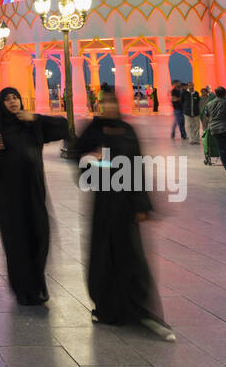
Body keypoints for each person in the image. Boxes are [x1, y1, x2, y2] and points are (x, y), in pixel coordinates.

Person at [69, 88, 175, 340]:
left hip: (126, 203)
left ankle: (140, 310)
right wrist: (89, 159)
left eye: (112, 102)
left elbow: (138, 167)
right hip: (104, 203)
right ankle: (107, 308)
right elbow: (76, 157)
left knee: (132, 255)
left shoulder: (128, 131)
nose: (108, 107)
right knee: (104, 254)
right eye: (103, 102)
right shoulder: (92, 130)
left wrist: (142, 205)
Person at [0, 86, 70, 306]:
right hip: (10, 194)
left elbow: (63, 126)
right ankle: (23, 289)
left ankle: (37, 285)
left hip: (34, 190)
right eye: (7, 99)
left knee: (39, 235)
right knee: (16, 240)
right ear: (1, 104)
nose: (12, 102)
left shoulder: (31, 124)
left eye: (15, 97)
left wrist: (34, 117)